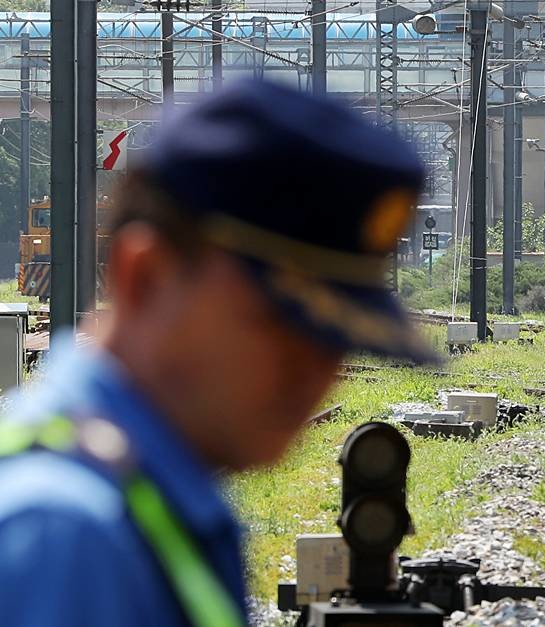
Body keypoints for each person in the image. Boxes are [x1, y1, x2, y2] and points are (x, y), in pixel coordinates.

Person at [0, 80, 435, 626]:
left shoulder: (140, 501)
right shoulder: (66, 538)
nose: (316, 376)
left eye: (335, 341)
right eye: (282, 326)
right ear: (145, 277)